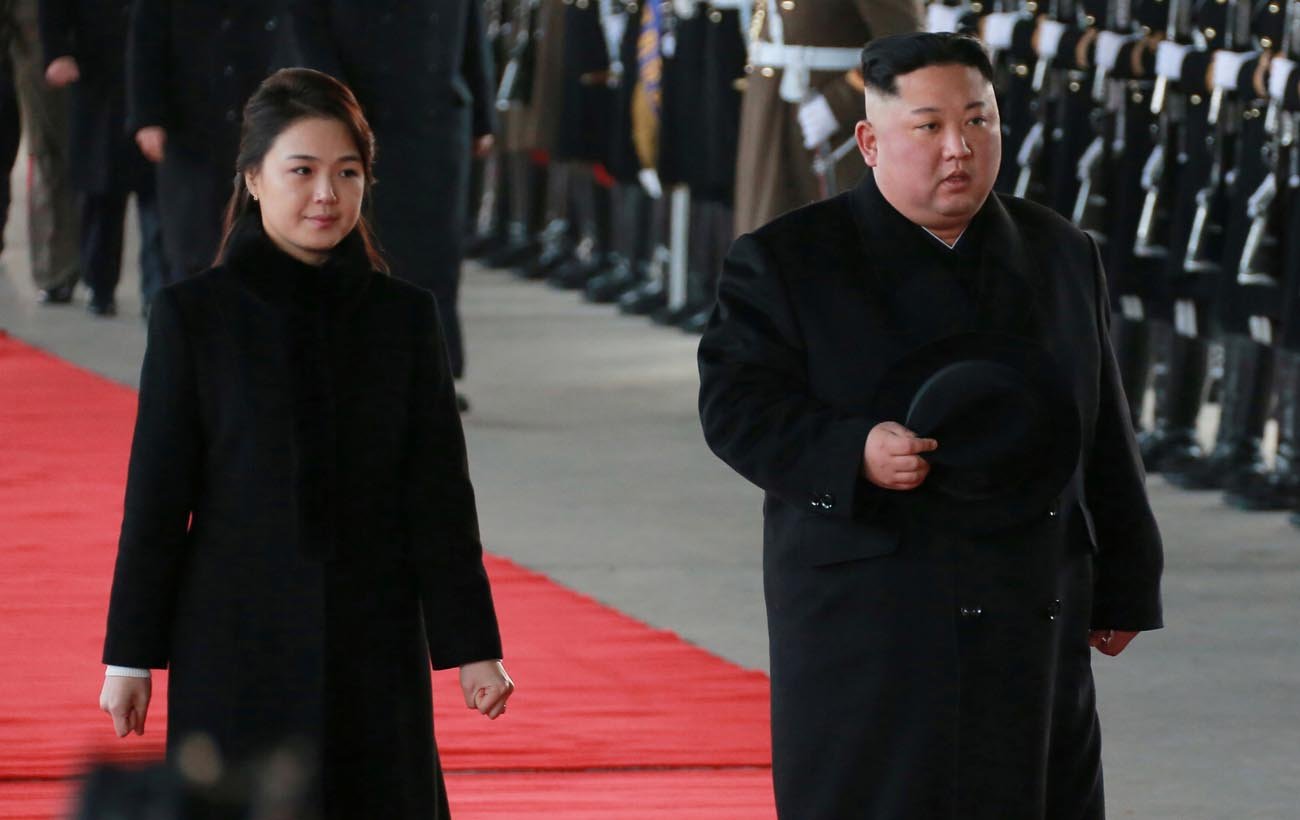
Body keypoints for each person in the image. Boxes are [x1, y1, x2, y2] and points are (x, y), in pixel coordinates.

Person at [698, 33, 1164, 819]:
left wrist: (1126, 578)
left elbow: (1101, 424)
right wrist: (852, 451)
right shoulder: (789, 259)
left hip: (1028, 593)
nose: (960, 148)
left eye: (979, 121)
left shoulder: (1059, 251)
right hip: (875, 604)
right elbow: (736, 407)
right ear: (869, 141)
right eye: (930, 126)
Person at [98, 68, 515, 818]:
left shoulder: (404, 318)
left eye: (347, 173)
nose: (327, 194)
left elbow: (439, 498)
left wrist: (472, 647)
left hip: (374, 632)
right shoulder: (195, 317)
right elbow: (157, 499)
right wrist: (129, 657)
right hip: (234, 636)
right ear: (253, 179)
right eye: (302, 171)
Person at [288, 0, 498, 408]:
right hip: (365, 117)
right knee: (363, 250)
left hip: (439, 115)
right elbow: (307, 27)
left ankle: (432, 373)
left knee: (437, 255)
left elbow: (472, 29)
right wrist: (334, 110)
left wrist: (483, 117)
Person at [39, 0, 166, 317]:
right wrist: (57, 52)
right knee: (101, 190)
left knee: (158, 195)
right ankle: (99, 284)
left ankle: (157, 290)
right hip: (98, 71)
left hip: (158, 70)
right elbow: (52, 9)